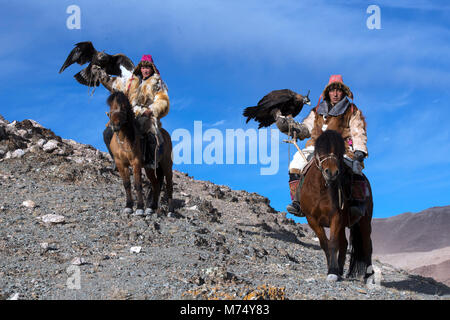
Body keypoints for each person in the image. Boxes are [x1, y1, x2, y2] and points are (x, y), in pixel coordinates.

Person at [275, 75, 368, 219]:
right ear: (327, 93)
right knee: (295, 164)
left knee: (356, 169)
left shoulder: (351, 110)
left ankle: (357, 204)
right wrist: (292, 128)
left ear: (343, 92)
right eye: (332, 91)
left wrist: (360, 150)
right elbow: (307, 128)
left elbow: (358, 131)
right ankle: (298, 202)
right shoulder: (317, 110)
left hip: (341, 148)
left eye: (338, 90)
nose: (335, 94)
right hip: (316, 147)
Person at [93, 54, 169, 168]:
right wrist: (101, 75)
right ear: (140, 68)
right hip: (128, 113)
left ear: (152, 69)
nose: (145, 70)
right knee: (107, 132)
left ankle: (150, 160)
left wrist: (151, 110)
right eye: (143, 68)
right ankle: (116, 160)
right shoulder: (131, 80)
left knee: (149, 133)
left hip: (146, 114)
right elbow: (114, 85)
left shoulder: (158, 82)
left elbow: (162, 100)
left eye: (147, 68)